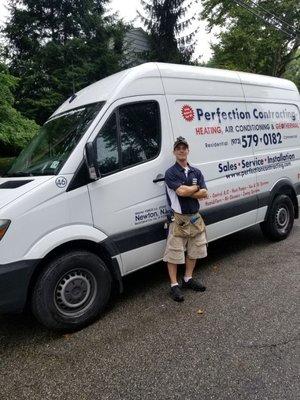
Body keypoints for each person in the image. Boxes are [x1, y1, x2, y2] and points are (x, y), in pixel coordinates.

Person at [163, 136, 208, 302]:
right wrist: (196, 188)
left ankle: (188, 279)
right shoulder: (171, 172)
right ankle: (174, 285)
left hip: (195, 218)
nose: (181, 150)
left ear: (188, 150)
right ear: (174, 152)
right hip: (179, 219)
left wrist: (191, 190)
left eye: (184, 148)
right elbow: (180, 192)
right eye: (178, 148)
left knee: (194, 250)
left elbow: (205, 193)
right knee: (174, 253)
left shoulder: (196, 171)